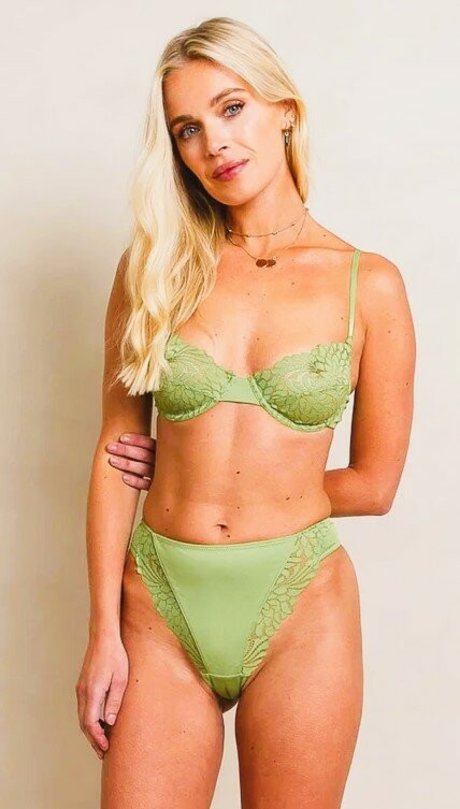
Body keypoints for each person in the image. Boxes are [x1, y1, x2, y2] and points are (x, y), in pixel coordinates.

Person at [75, 15, 416, 809]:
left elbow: (375, 483)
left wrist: (257, 488)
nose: (214, 144)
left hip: (300, 600)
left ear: (284, 108)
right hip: (158, 598)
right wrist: (102, 632)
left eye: (231, 108)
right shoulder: (154, 270)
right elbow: (115, 453)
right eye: (187, 129)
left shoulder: (369, 285)